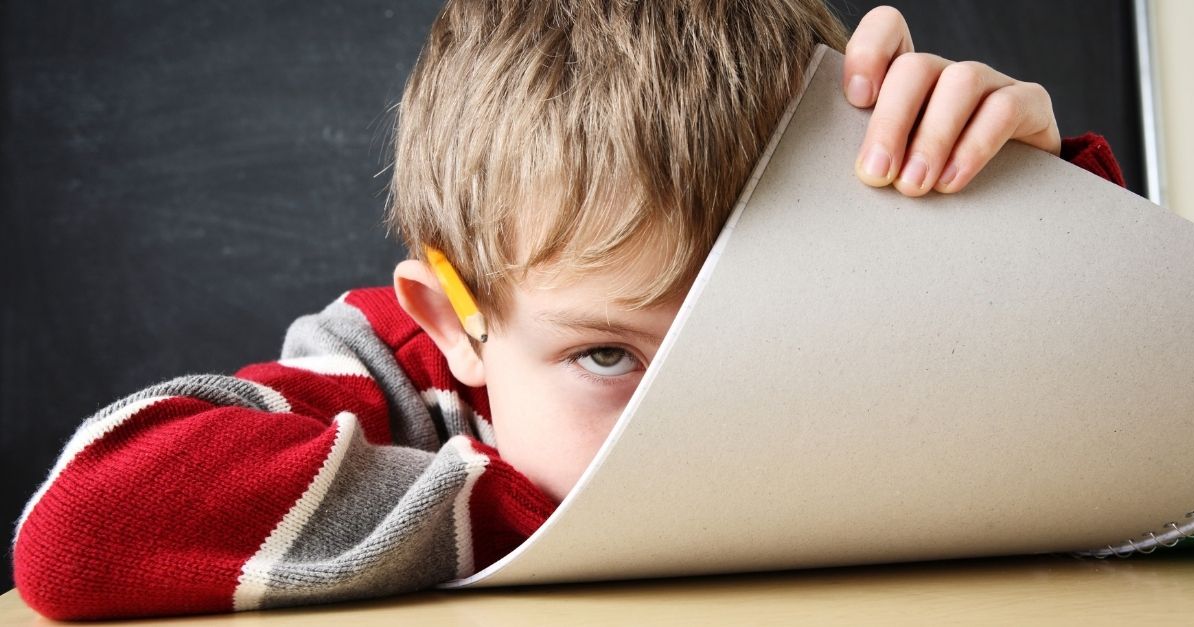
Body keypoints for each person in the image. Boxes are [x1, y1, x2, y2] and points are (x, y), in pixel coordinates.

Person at [11, 2, 1124, 620]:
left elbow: (1144, 466)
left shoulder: (874, 326)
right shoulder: (400, 372)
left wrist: (1028, 234)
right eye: (609, 356)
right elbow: (82, 527)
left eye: (750, 332)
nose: (696, 426)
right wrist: (586, 529)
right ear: (459, 326)